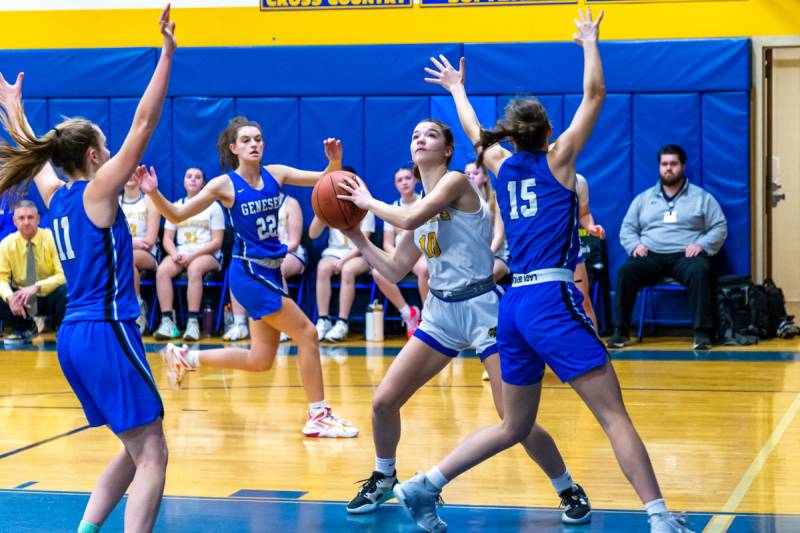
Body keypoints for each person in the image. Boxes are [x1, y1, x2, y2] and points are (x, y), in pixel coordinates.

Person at [395, 9, 694, 533]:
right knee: (613, 415)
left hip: (510, 306)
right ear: (550, 133)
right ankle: (660, 517)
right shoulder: (560, 162)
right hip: (551, 301)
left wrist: (457, 88)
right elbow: (596, 96)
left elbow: (470, 129)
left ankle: (426, 484)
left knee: (515, 423)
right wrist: (589, 43)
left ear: (510, 134)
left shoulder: (499, 164)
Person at [335, 119, 591, 525]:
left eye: (430, 134)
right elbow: (395, 267)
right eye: (414, 134)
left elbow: (405, 219)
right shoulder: (418, 202)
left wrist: (365, 202)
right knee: (384, 401)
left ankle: (567, 487)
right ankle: (384, 476)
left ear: (448, 150)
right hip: (441, 312)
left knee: (514, 420)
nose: (420, 139)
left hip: (483, 310)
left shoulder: (455, 182)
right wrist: (355, 235)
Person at [0, 6, 175, 532]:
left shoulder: (59, 197)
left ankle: (85, 530)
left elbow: (40, 154)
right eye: (106, 146)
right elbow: (144, 122)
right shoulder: (99, 192)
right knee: (153, 454)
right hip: (108, 330)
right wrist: (166, 54)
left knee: (135, 444)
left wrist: (15, 111)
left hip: (74, 338)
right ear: (97, 156)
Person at [140, 116, 358, 438]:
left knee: (260, 359)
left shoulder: (276, 174)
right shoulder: (224, 185)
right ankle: (318, 415)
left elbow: (324, 178)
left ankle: (185, 356)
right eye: (246, 140)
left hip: (269, 270)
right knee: (308, 334)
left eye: (258, 138)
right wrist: (154, 194)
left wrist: (335, 162)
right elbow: (176, 214)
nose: (254, 144)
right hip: (250, 273)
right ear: (234, 148)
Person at [608, 144, 727, 351]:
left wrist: (701, 245)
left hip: (685, 256)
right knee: (626, 272)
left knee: (701, 271)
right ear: (659, 167)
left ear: (683, 166)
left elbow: (719, 226)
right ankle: (620, 332)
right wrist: (635, 245)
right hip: (651, 255)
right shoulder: (643, 199)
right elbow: (627, 228)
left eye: (673, 164)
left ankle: (702, 334)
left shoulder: (701, 197)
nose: (668, 168)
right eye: (664, 164)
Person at [152, 167, 225, 342]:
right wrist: (175, 253)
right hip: (181, 253)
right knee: (162, 271)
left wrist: (192, 256)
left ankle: (193, 322)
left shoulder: (213, 207)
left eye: (198, 177)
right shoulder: (176, 206)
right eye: (189, 176)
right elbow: (167, 238)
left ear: (204, 183)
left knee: (194, 269)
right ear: (184, 181)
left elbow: (217, 241)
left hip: (208, 254)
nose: (193, 180)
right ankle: (168, 321)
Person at [223, 191, 306, 343]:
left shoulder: (290, 203)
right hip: (263, 254)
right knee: (239, 270)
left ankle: (284, 325)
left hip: (290, 253)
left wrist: (275, 253)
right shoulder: (254, 205)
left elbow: (294, 241)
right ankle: (240, 323)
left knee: (277, 269)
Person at [310, 167, 375, 343]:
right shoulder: (330, 206)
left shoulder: (364, 206)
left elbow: (365, 243)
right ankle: (323, 319)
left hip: (360, 253)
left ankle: (342, 322)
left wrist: (344, 261)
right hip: (335, 252)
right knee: (322, 268)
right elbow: (312, 234)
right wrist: (321, 211)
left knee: (347, 270)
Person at [0, 199, 67, 343]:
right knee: (3, 293)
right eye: (21, 218)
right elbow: (1, 279)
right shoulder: (6, 244)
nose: (26, 222)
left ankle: (62, 330)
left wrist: (37, 286)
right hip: (23, 299)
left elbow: (63, 275)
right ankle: (25, 328)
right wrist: (10, 298)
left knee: (66, 289)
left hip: (50, 296)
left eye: (30, 217)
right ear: (14, 221)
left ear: (38, 219)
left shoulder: (52, 238)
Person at [372, 166, 427, 338]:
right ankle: (408, 313)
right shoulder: (392, 208)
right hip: (400, 255)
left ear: (415, 180)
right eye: (400, 180)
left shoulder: (424, 203)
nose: (404, 182)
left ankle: (429, 317)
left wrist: (412, 260)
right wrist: (400, 258)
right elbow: (387, 244)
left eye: (407, 178)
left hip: (420, 254)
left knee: (425, 269)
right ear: (396, 185)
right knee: (378, 272)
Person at [121, 173, 161, 333]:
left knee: (127, 259)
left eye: (135, 172)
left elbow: (149, 240)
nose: (130, 175)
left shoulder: (148, 201)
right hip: (124, 253)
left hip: (148, 255)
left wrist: (125, 243)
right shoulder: (115, 202)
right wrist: (133, 242)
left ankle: (138, 308)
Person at [464, 160, 509, 283]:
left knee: (481, 279)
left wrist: (484, 257)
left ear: (485, 177)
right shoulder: (461, 204)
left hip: (496, 256)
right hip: (470, 258)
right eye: (467, 174)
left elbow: (499, 236)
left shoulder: (495, 200)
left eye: (475, 173)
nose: (471, 176)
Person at [574, 173, 605, 331]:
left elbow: (584, 214)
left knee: (584, 303)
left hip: (570, 254)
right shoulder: (533, 178)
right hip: (542, 256)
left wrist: (590, 227)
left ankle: (596, 352)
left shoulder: (578, 180)